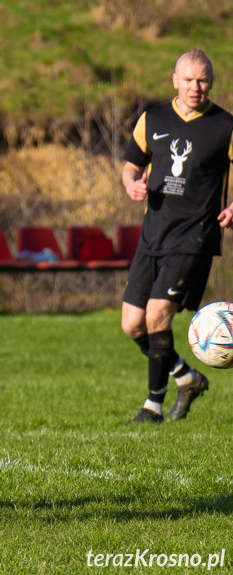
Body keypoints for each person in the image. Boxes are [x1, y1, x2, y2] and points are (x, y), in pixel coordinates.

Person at [120, 49, 233, 424]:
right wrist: (131, 184)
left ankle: (152, 406)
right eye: (188, 79)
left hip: (194, 238)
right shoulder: (153, 118)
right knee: (132, 325)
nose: (195, 87)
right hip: (153, 235)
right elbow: (130, 165)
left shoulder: (224, 126)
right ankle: (187, 377)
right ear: (175, 81)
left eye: (202, 80)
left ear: (211, 83)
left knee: (156, 315)